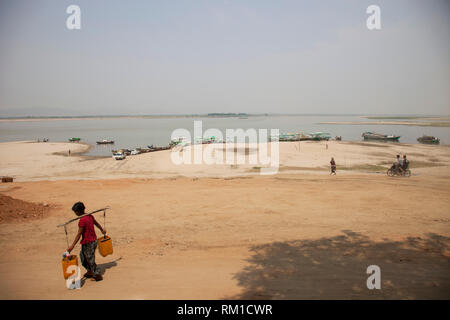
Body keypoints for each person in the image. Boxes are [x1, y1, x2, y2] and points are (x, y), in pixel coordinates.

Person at [67, 202, 106, 281]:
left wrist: (72, 246)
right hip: (91, 241)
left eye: (75, 212)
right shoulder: (90, 216)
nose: (75, 213)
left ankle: (97, 275)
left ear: (78, 211)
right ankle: (89, 271)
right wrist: (101, 229)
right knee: (83, 257)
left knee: (90, 259)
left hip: (89, 242)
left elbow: (79, 234)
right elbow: (96, 223)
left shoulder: (82, 220)